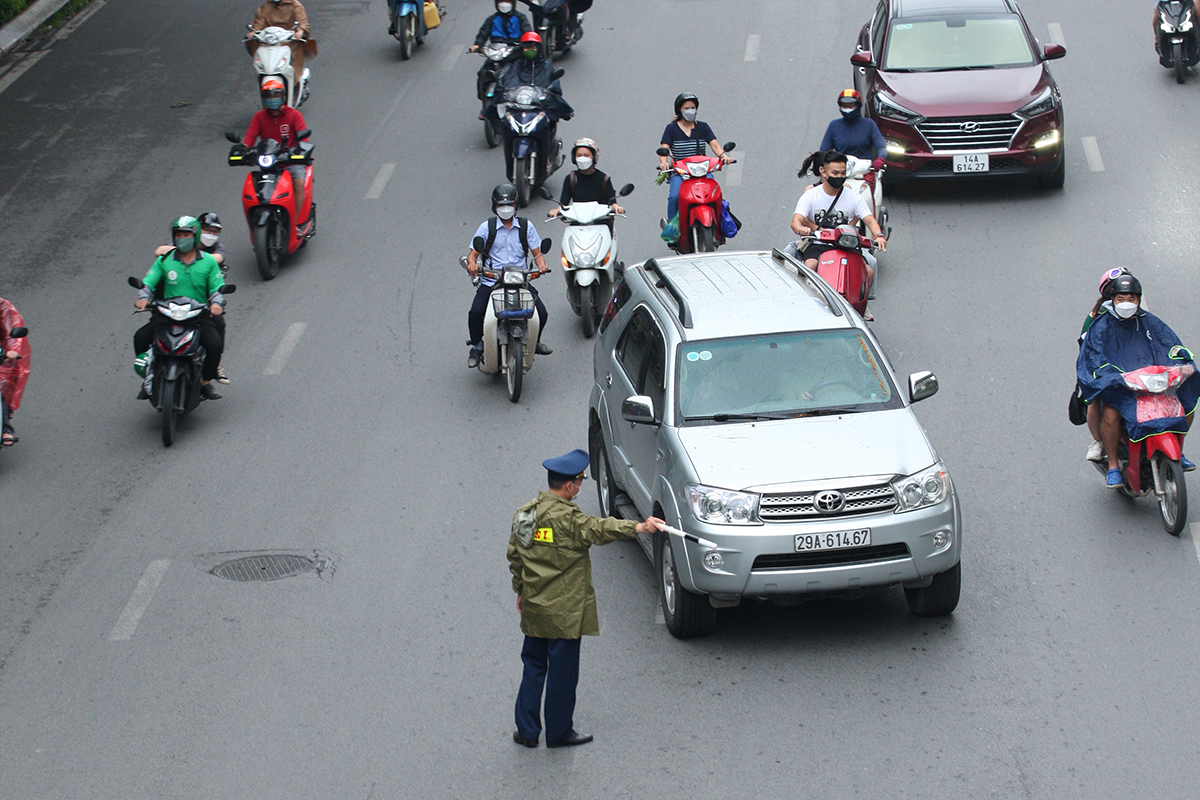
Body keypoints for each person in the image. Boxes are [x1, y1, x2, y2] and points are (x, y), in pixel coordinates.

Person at [507, 448, 665, 748]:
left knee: (533, 667)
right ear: (568, 486)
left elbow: (515, 556)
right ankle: (558, 732)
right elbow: (601, 528)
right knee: (562, 676)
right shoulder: (569, 519)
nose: (580, 487)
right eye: (578, 482)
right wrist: (639, 526)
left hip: (535, 610)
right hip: (565, 614)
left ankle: (527, 732)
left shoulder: (525, 513)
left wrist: (521, 590)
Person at [1077, 273, 1200, 487]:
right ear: (1113, 300)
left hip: (1151, 384)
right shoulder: (1100, 326)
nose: (1127, 303)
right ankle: (1114, 465)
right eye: (1121, 299)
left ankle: (1178, 451)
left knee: (1187, 404)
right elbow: (1094, 356)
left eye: (1131, 299)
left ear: (1138, 300)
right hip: (1121, 387)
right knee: (1111, 414)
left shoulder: (1150, 322)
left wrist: (1182, 359)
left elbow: (1169, 344)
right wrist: (1110, 374)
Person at [133, 217, 227, 401]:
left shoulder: (208, 261)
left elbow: (216, 289)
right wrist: (143, 299)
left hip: (198, 316)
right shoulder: (165, 260)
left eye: (187, 234)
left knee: (215, 344)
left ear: (195, 236)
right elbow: (148, 283)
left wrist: (216, 304)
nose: (182, 238)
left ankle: (206, 382)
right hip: (167, 314)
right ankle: (148, 378)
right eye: (178, 235)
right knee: (141, 337)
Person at [790, 150, 887, 320]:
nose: (839, 176)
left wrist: (878, 235)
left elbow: (869, 219)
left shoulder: (852, 196)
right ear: (823, 171)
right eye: (835, 173)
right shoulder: (811, 195)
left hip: (847, 245)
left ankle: (862, 308)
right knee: (810, 267)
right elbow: (796, 220)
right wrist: (801, 229)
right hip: (819, 244)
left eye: (843, 173)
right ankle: (806, 308)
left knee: (868, 271)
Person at [465, 184, 553, 368]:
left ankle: (534, 342)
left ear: (516, 205)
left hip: (520, 280)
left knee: (542, 313)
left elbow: (537, 253)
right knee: (475, 313)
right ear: (494, 206)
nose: (506, 209)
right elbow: (473, 254)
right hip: (493, 280)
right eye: (501, 205)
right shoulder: (486, 227)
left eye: (510, 204)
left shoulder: (525, 226)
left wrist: (542, 265)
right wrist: (472, 265)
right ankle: (477, 345)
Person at [154, 213, 231, 384]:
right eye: (207, 230)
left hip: (204, 298)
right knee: (145, 335)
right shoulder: (179, 244)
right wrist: (183, 251)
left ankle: (212, 371)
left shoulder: (216, 249)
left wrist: (195, 256)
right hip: (172, 303)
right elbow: (159, 251)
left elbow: (216, 259)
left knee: (217, 330)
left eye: (214, 232)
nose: (210, 234)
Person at [240, 80, 311, 227]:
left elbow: (303, 139)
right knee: (255, 192)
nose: (272, 98)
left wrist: (302, 151)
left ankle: (295, 224)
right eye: (268, 95)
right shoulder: (259, 117)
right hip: (269, 163)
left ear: (283, 96)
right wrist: (242, 149)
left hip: (291, 161)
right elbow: (250, 137)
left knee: (298, 183)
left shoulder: (294, 115)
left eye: (276, 94)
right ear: (264, 98)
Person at [658, 93, 732, 224]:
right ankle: (673, 227)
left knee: (716, 194)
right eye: (686, 108)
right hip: (680, 173)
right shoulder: (671, 129)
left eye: (693, 107)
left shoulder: (702, 127)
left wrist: (723, 156)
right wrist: (664, 163)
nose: (690, 111)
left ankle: (720, 224)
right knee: (675, 196)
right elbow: (664, 149)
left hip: (702, 171)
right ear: (679, 110)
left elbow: (714, 144)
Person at [1079, 267, 1128, 462]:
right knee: (1094, 405)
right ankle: (1099, 441)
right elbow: (1086, 347)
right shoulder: (1096, 317)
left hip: (1133, 367)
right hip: (1103, 369)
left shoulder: (1140, 314)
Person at [819, 89, 887, 206]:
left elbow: (881, 146)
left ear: (858, 106)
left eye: (851, 105)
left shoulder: (868, 125)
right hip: (840, 172)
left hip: (864, 173)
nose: (848, 108)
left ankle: (871, 221)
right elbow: (824, 151)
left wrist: (880, 159)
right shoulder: (834, 126)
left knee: (867, 201)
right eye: (845, 106)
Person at [547, 138, 622, 228]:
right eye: (579, 155)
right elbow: (563, 204)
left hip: (601, 224)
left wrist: (617, 208)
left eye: (586, 155)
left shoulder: (604, 179)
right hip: (577, 224)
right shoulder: (571, 179)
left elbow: (612, 202)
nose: (582, 158)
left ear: (594, 157)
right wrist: (556, 210)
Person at [246, 0, 314, 85]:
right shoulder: (266, 6)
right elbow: (259, 21)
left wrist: (300, 31)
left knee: (294, 60)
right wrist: (254, 31)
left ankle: (295, 83)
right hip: (270, 42)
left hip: (289, 41)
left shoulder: (294, 5)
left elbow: (302, 22)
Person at [0, 297, 30, 447]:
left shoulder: (2, 307)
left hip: (0, 355)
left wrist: (11, 351)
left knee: (2, 386)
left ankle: (5, 428)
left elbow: (11, 328)